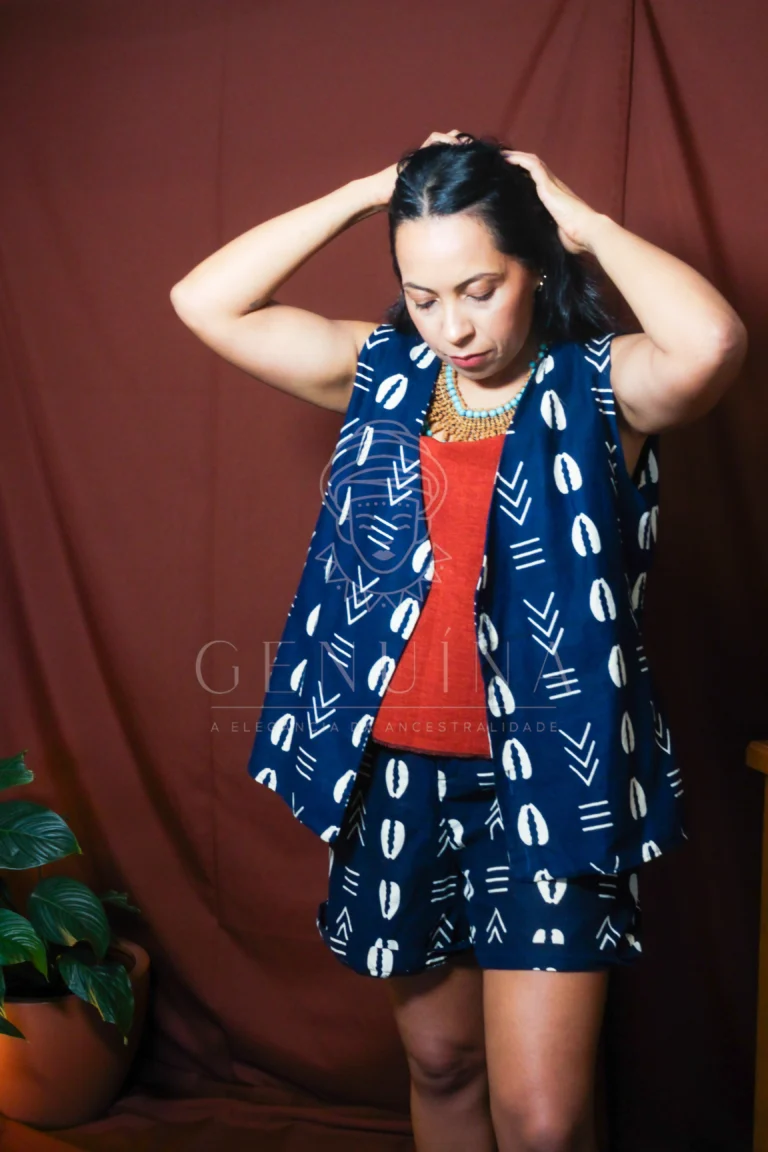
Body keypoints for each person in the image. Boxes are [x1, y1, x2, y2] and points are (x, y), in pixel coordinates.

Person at [170, 130, 747, 1152]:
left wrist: (583, 220)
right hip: (395, 775)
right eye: (424, 296)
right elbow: (204, 302)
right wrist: (368, 190)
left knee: (541, 1119)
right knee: (442, 1063)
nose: (454, 327)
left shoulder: (604, 387)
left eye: (480, 289)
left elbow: (711, 343)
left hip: (552, 786)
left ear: (538, 266)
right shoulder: (383, 371)